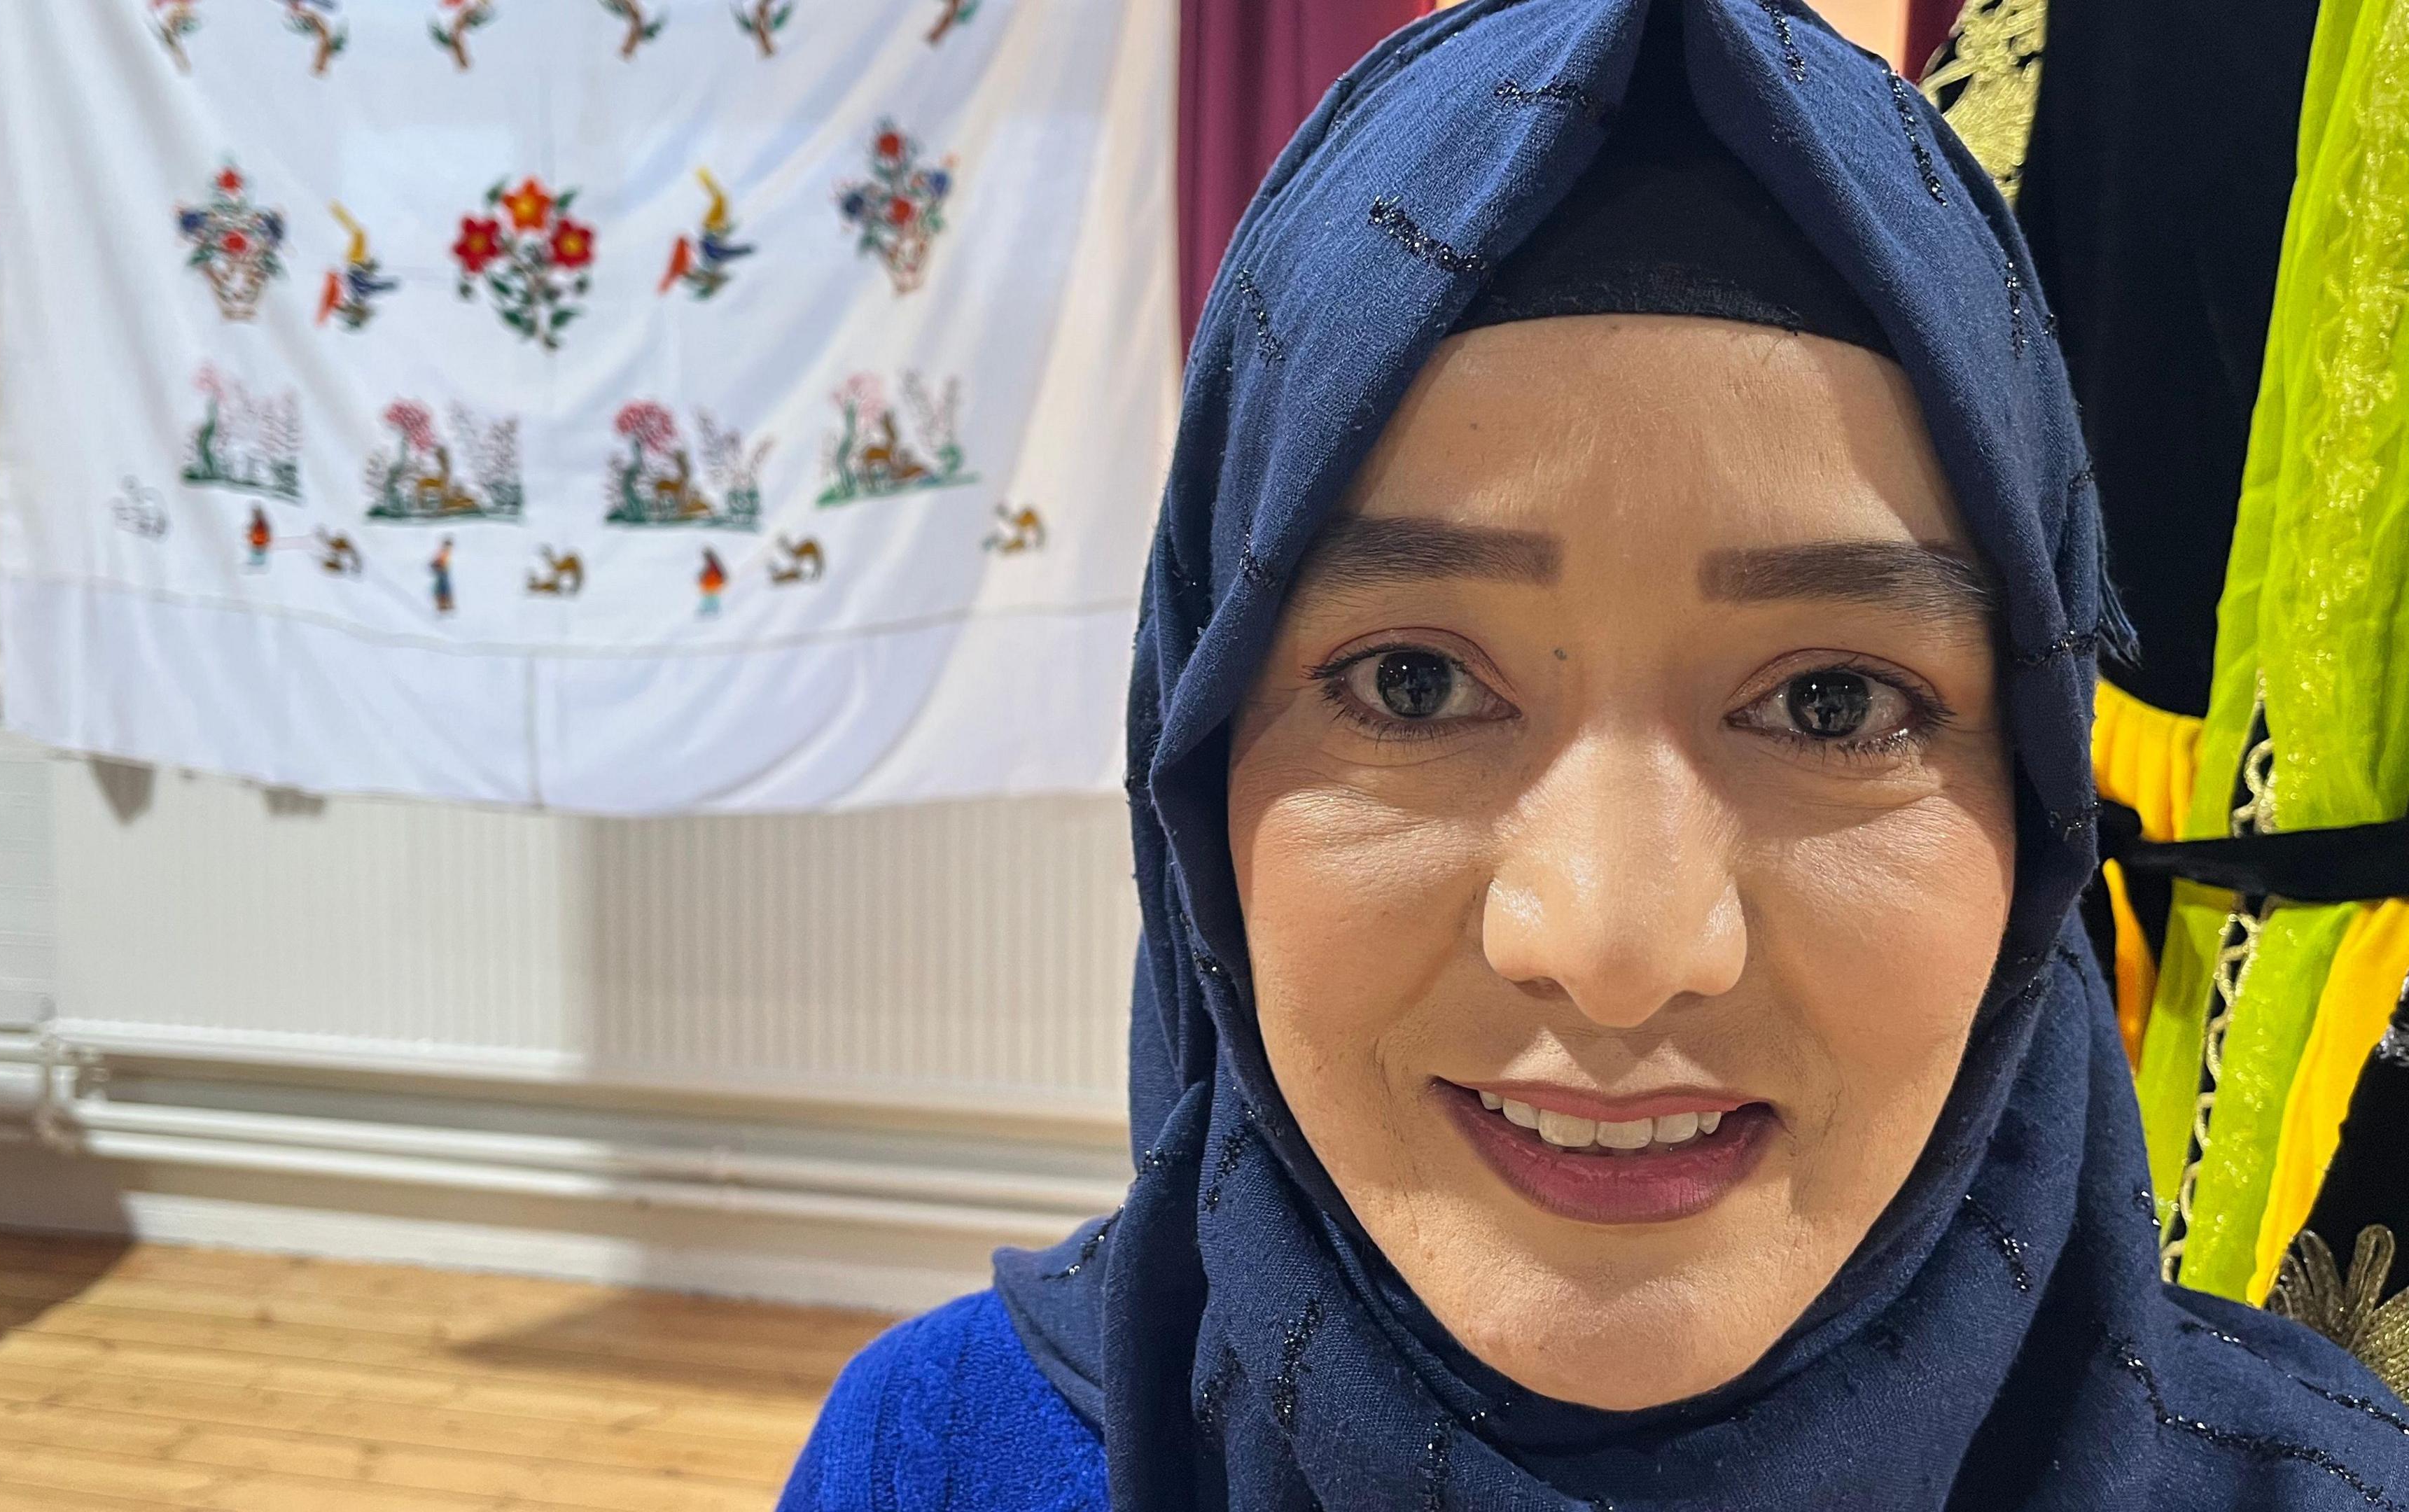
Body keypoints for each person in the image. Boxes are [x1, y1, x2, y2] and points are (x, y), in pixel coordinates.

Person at [778, 0, 2409, 1506]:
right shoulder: (942, 1456)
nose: (1617, 948)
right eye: (1413, 682)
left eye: (1831, 702)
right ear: (1197, 772)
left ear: (2039, 805)